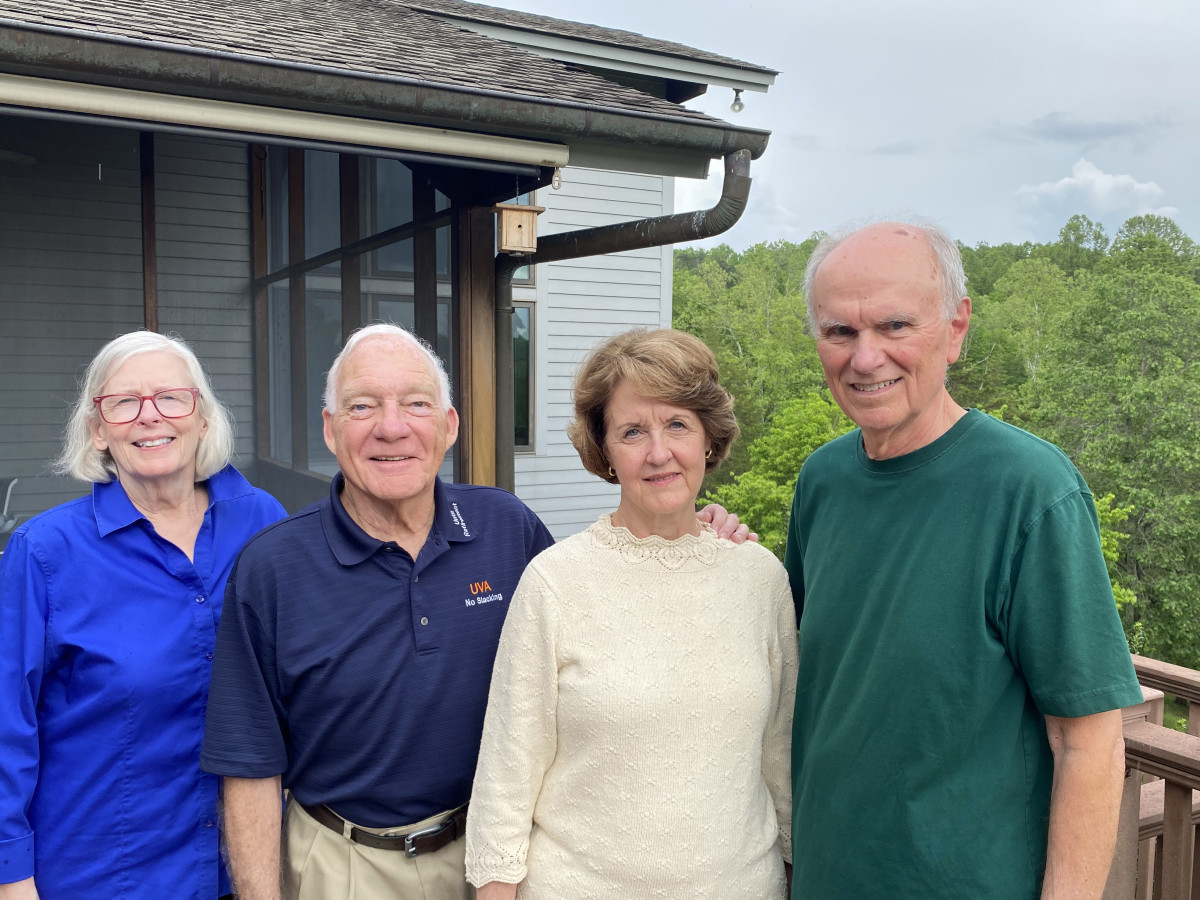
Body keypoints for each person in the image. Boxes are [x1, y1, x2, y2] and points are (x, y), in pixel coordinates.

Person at [201, 323, 754, 900]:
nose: (392, 427)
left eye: (416, 404)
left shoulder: (506, 528)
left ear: (448, 426)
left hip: (496, 857)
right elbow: (248, 767)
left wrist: (695, 543)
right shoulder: (272, 567)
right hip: (346, 864)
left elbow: (604, 621)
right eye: (363, 406)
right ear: (331, 430)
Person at [785, 221, 1144, 900]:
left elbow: (1089, 743)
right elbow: (820, 670)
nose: (866, 359)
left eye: (895, 326)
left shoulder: (1031, 490)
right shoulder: (821, 481)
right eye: (840, 332)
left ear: (955, 329)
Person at [465, 328, 797, 900]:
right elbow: (507, 774)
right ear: (606, 452)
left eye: (677, 425)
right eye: (632, 431)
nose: (658, 451)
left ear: (709, 440)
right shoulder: (554, 582)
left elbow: (781, 753)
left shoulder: (760, 579)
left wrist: (795, 865)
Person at [0, 331, 286, 900]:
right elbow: (7, 726)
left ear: (202, 417)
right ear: (98, 429)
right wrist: (12, 876)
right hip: (105, 874)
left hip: (249, 868)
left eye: (171, 398)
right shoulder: (45, 553)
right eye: (124, 402)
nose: (150, 417)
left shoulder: (262, 522)